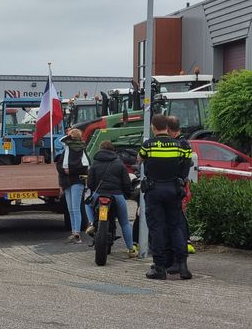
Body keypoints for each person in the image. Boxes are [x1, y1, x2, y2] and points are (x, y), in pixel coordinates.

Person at [139, 114, 192, 280]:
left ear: (154, 127)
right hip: (173, 189)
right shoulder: (179, 145)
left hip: (154, 190)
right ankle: (182, 266)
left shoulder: (148, 145)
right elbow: (187, 162)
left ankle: (160, 268)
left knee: (157, 228)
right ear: (167, 128)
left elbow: (140, 159)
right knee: (176, 227)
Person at [84, 140, 137, 257]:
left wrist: (95, 190)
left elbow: (90, 183)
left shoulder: (95, 163)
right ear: (113, 150)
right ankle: (131, 250)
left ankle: (92, 223)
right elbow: (126, 183)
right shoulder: (120, 164)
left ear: (100, 149)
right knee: (124, 223)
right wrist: (127, 194)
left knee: (87, 204)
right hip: (116, 195)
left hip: (99, 194)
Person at [166, 115, 196, 268]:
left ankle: (178, 258)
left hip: (175, 186)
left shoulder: (178, 144)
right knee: (178, 220)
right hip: (180, 185)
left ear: (169, 130)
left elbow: (180, 166)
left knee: (177, 222)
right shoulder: (185, 144)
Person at [62, 128, 89, 243]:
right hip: (71, 181)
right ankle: (74, 232)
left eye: (69, 134)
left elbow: (86, 165)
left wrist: (70, 169)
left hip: (74, 181)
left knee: (74, 208)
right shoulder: (69, 146)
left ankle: (77, 233)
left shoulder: (76, 148)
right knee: (71, 209)